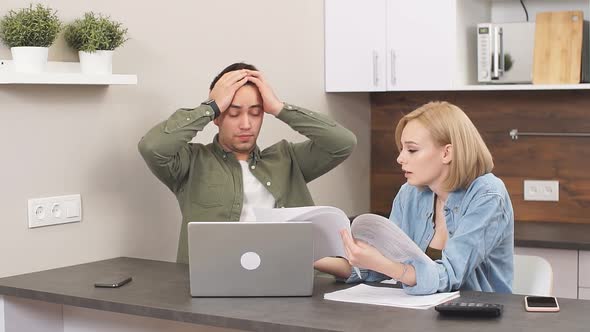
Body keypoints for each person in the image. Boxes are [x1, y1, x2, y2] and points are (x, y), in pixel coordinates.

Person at [138, 62, 357, 264]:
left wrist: (279, 108)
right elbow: (152, 147)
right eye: (233, 113)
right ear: (217, 117)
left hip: (286, 280)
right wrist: (209, 107)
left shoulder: (288, 159)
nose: (246, 124)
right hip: (214, 285)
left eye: (255, 113)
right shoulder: (191, 162)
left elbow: (343, 142)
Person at [315, 101, 514, 295]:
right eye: (401, 148)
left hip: (479, 318)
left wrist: (385, 264)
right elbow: (379, 267)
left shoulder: (488, 195)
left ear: (447, 153)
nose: (400, 158)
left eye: (411, 149)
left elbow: (450, 275)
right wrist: (312, 258)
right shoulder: (410, 194)